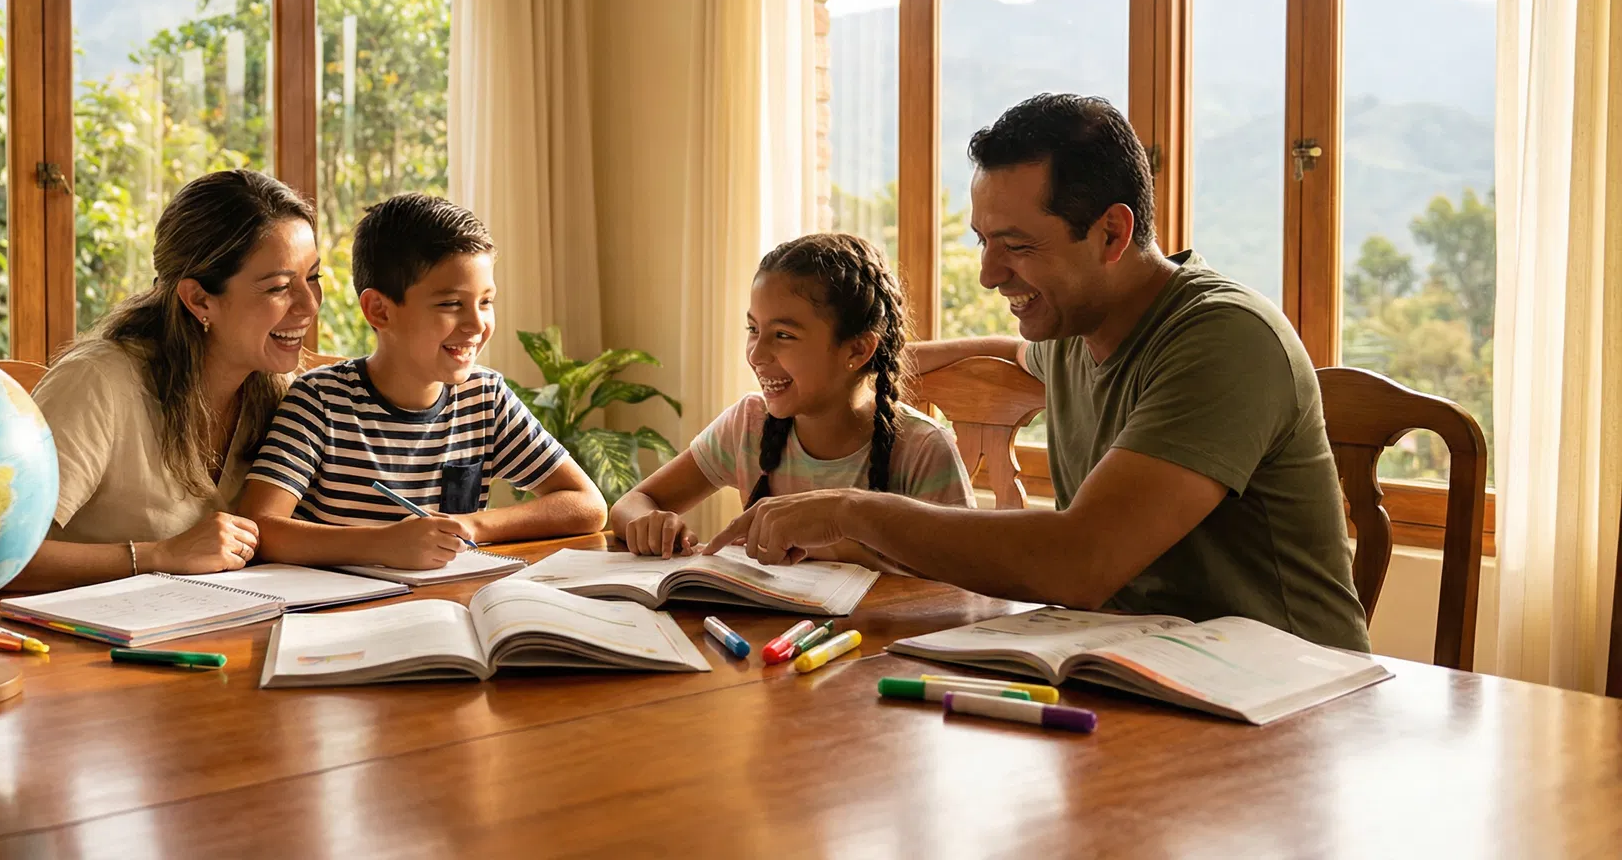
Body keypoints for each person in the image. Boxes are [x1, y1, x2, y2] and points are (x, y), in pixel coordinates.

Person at [706, 93, 1371, 652]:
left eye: (1017, 247)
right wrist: (890, 366)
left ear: (1112, 234)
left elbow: (1078, 562)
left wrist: (851, 511)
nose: (990, 274)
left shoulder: (1224, 339)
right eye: (983, 241)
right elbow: (1013, 348)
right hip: (1140, 673)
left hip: (1287, 704)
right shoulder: (1076, 332)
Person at [241, 193, 606, 569]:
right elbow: (259, 528)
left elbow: (586, 504)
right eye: (451, 304)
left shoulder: (486, 398)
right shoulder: (320, 401)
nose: (476, 325)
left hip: (448, 604)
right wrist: (383, 545)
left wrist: (471, 525)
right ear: (379, 310)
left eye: (486, 302)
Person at [9, 169, 318, 591]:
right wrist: (160, 556)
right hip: (77, 648)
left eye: (313, 278)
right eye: (279, 287)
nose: (309, 305)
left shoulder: (283, 392)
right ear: (199, 299)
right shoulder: (98, 382)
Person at [610, 233, 972, 562]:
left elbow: (964, 572)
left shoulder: (923, 449)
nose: (756, 354)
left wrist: (835, 545)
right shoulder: (748, 425)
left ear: (858, 350)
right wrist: (650, 523)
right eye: (753, 329)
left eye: (783, 335)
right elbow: (632, 504)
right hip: (769, 633)